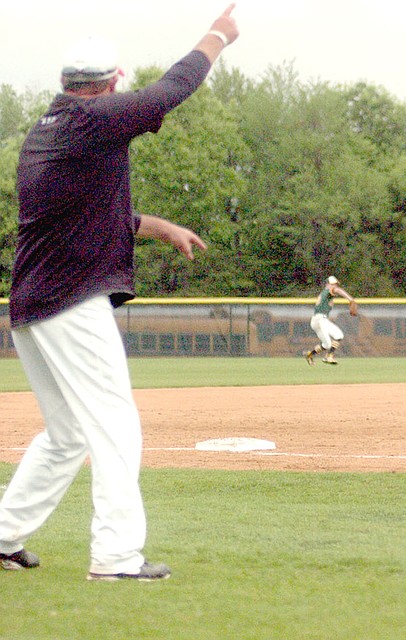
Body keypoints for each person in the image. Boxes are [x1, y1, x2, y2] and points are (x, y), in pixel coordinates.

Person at [0, 6, 239, 580]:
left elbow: (84, 216)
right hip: (70, 301)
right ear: (110, 84)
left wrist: (158, 226)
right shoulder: (93, 121)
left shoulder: (49, 131)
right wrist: (218, 37)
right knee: (114, 424)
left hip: (35, 304)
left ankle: (4, 535)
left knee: (68, 434)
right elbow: (174, 88)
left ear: (64, 82)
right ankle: (115, 557)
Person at [305, 276, 358, 365]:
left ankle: (310, 355)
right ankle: (329, 356)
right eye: (334, 284)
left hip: (317, 320)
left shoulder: (325, 293)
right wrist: (350, 299)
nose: (335, 286)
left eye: (336, 284)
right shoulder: (329, 290)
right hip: (320, 319)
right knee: (336, 338)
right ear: (328, 284)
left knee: (329, 343)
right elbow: (338, 290)